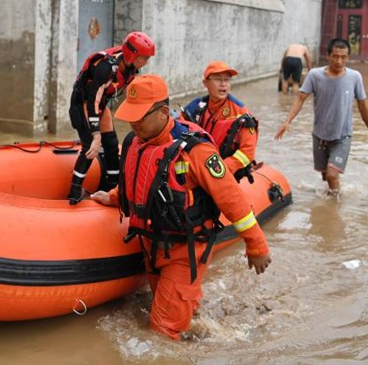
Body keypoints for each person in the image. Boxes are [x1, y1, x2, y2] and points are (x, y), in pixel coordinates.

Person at [91, 74, 271, 341]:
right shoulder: (134, 142)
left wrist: (256, 245)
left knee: (163, 332)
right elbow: (139, 181)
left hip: (184, 250)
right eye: (131, 115)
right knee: (166, 314)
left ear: (164, 112)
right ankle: (196, 325)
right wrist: (115, 196)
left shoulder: (195, 150)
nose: (133, 123)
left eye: (141, 116)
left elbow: (232, 198)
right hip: (150, 245)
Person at [273, 38, 368, 195]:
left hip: (343, 136)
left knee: (331, 175)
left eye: (343, 57)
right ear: (328, 56)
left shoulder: (354, 77)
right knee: (325, 176)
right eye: (335, 56)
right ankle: (330, 199)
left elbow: (363, 105)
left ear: (348, 58)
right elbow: (301, 98)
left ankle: (334, 210)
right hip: (320, 135)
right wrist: (287, 121)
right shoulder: (315, 75)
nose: (339, 61)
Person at [67, 31, 155, 204]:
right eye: (144, 58)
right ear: (133, 55)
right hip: (84, 103)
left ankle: (112, 186)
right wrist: (96, 134)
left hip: (100, 105)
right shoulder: (106, 67)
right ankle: (74, 191)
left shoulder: (130, 67)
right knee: (89, 148)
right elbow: (93, 99)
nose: (146, 62)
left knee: (112, 146)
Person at [180, 61, 259, 183]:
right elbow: (177, 131)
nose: (223, 84)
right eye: (218, 79)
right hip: (197, 168)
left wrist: (220, 170)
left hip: (225, 173)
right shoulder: (194, 108)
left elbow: (247, 152)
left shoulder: (241, 113)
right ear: (205, 83)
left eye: (227, 80)